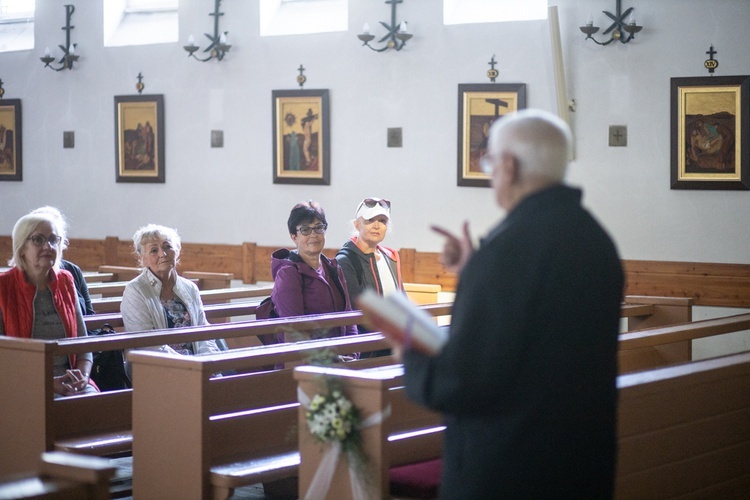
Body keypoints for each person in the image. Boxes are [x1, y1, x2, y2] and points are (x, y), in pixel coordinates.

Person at [399, 109, 624, 498]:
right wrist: (474, 271)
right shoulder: (595, 241)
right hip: (579, 466)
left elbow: (459, 384)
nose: (489, 174)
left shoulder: (507, 252)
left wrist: (408, 342)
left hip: (509, 469)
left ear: (508, 165)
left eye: (488, 162)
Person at [0, 209, 98, 397]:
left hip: (71, 381)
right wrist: (49, 383)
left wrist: (83, 377)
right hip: (22, 383)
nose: (48, 246)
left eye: (53, 240)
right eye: (38, 239)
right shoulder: (3, 286)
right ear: (21, 247)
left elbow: (84, 345)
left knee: (96, 405)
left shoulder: (66, 280)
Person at [121, 224, 224, 363]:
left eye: (167, 247)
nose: (162, 254)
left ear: (177, 251)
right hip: (155, 367)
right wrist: (186, 366)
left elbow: (203, 333)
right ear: (142, 259)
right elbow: (148, 344)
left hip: (196, 365)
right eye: (153, 250)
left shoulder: (190, 288)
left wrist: (209, 364)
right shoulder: (135, 290)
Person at [270, 200, 357, 343]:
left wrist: (352, 354)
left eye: (318, 227)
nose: (313, 235)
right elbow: (295, 333)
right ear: (294, 237)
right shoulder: (288, 275)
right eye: (305, 230)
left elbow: (349, 319)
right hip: (305, 361)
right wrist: (334, 359)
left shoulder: (334, 268)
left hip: (341, 357)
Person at [336, 197, 403, 356]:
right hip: (366, 347)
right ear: (357, 224)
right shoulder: (346, 260)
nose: (376, 225)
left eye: (382, 220)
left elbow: (402, 300)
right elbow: (357, 310)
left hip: (394, 342)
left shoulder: (391, 256)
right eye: (369, 220)